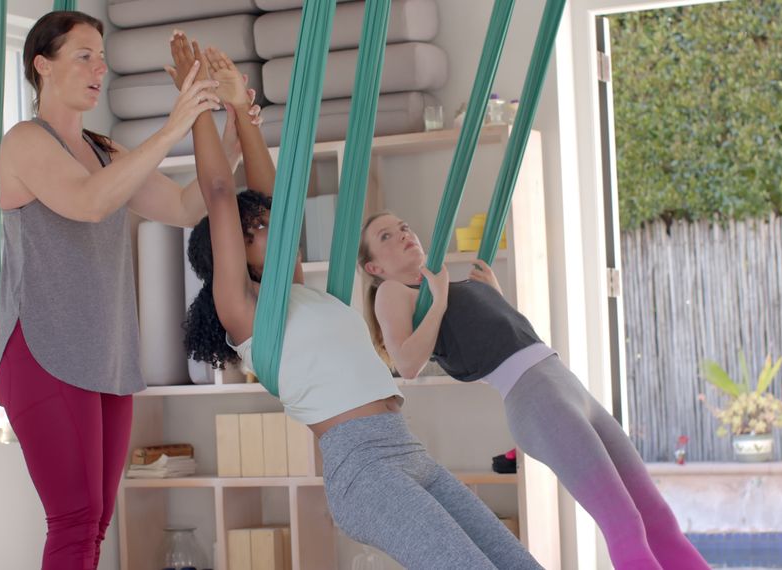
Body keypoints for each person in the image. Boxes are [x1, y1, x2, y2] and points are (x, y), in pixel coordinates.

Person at [176, 36, 543, 570]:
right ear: (227, 254)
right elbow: (216, 192)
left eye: (260, 221)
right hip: (362, 471)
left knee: (515, 562)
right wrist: (198, 101)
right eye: (249, 228)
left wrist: (241, 107)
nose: (267, 228)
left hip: (406, 450)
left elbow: (276, 205)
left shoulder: (292, 289)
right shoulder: (245, 315)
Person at [0, 11, 259, 569]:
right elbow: (89, 203)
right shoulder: (23, 143)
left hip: (105, 354)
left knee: (96, 523)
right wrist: (171, 126)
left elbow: (187, 208)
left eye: (101, 56)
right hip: (42, 350)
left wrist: (234, 131)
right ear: (42, 64)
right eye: (84, 55)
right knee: (73, 521)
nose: (99, 67)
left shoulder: (105, 149)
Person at [358, 212, 711, 570]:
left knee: (657, 517)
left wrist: (492, 295)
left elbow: (502, 336)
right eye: (385, 236)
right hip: (538, 402)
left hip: (564, 385)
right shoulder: (394, 292)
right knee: (625, 525)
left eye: (404, 226)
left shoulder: (445, 285)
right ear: (374, 268)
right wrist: (439, 301)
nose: (403, 234)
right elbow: (407, 364)